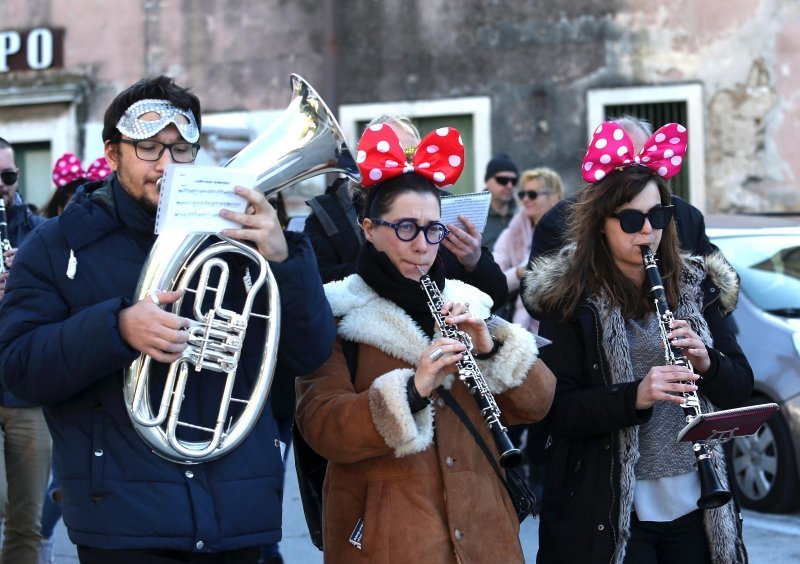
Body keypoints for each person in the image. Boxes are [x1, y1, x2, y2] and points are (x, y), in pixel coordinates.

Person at [0, 76, 335, 563]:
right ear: (113, 154)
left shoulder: (237, 234)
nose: (167, 165)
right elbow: (17, 366)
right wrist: (117, 328)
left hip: (240, 516)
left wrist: (285, 260)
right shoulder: (56, 245)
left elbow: (310, 352)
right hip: (125, 523)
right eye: (148, 148)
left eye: (181, 149)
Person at [294, 122, 556, 563]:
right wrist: (410, 390)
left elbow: (537, 404)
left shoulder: (466, 301)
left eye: (433, 229)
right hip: (387, 542)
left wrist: (492, 348)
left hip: (484, 537)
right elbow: (322, 425)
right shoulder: (336, 310)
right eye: (405, 229)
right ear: (370, 229)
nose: (422, 246)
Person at [523, 121, 752, 563]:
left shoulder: (695, 285)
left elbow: (740, 387)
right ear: (601, 224)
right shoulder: (570, 299)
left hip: (698, 504)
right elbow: (557, 412)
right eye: (630, 219)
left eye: (658, 217)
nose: (646, 231)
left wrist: (708, 363)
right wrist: (637, 396)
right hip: (610, 509)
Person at [303, 114, 508, 310]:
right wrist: (381, 267)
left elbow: (496, 296)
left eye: (411, 155)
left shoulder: (443, 205)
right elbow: (311, 286)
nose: (404, 166)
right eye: (391, 154)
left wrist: (474, 262)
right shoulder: (329, 212)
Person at [37, 152, 110, 564]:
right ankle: (43, 534)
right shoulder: (47, 238)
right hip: (69, 366)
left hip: (98, 362)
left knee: (69, 475)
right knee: (62, 476)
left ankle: (41, 533)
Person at [0, 137, 51, 564]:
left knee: (25, 521)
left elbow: (63, 305)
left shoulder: (39, 234)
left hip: (26, 393)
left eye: (8, 176)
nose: (2, 185)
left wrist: (26, 278)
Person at [492, 167, 563, 333]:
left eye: (532, 194)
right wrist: (518, 273)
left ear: (555, 198)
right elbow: (493, 277)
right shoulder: (511, 233)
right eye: (521, 194)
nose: (525, 200)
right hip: (518, 327)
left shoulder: (571, 233)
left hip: (556, 327)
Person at [482, 152, 519, 251]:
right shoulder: (474, 216)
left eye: (514, 181)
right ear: (487, 181)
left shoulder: (522, 215)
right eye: (502, 180)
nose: (509, 186)